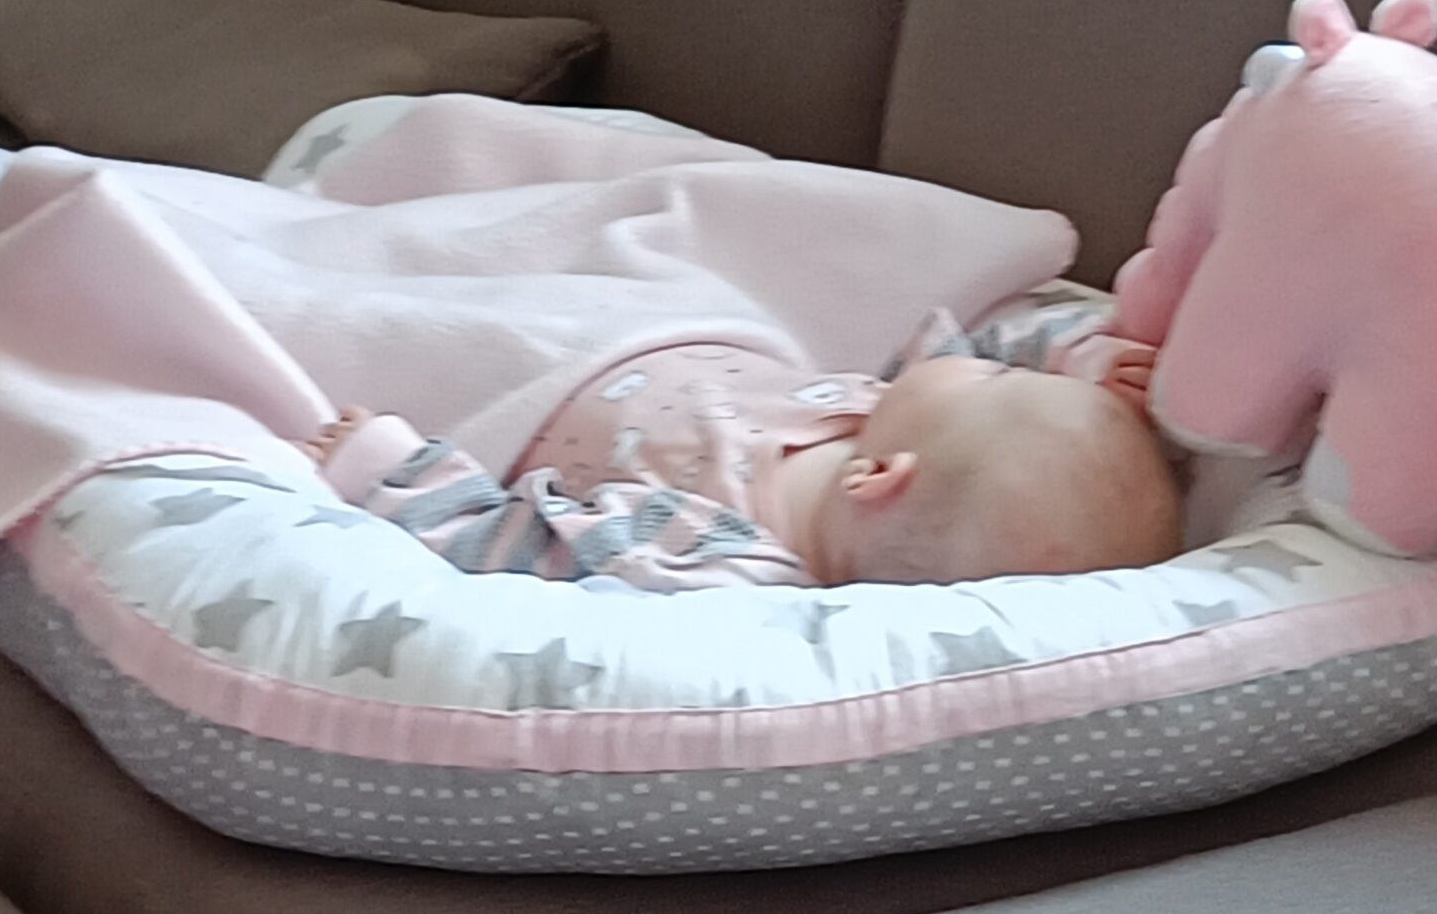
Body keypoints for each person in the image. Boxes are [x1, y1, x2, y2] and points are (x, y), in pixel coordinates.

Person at [302, 313, 1183, 592]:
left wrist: (392, 472)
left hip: (531, 387)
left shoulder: (719, 552)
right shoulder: (885, 421)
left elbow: (517, 550)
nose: (982, 361)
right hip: (648, 320)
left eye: (995, 377)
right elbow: (981, 338)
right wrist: (1081, 356)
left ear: (881, 481)